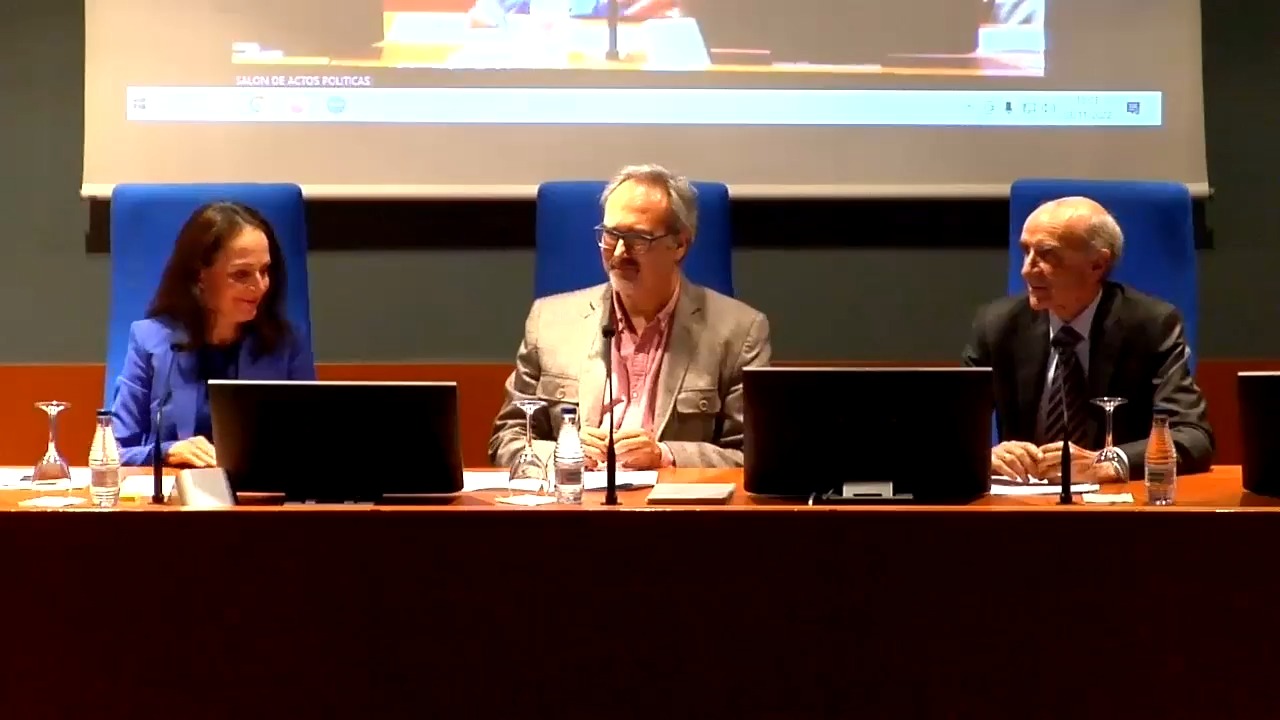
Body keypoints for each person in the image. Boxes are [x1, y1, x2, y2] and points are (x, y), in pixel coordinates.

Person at [489, 164, 771, 470]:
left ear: (679, 245)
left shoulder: (740, 332)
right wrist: (564, 452)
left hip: (672, 498)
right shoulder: (548, 321)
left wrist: (665, 455)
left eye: (638, 239)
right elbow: (507, 440)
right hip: (574, 495)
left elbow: (752, 455)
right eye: (611, 235)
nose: (619, 253)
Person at [962, 196, 1213, 483]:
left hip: (1118, 500)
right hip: (1024, 499)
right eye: (1025, 251)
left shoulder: (1151, 325)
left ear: (1097, 264)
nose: (1027, 270)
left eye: (1047, 254)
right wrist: (985, 455)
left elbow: (1193, 437)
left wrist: (1107, 463)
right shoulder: (997, 326)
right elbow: (946, 428)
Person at [111, 202, 316, 468]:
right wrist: (167, 452)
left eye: (265, 271)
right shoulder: (149, 340)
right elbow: (113, 452)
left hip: (256, 491)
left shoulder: (286, 345)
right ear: (200, 277)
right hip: (178, 489)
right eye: (241, 274)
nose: (259, 286)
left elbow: (311, 446)